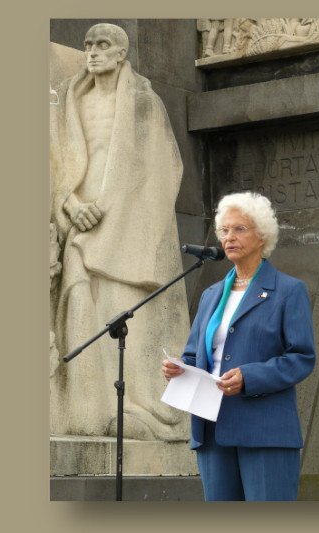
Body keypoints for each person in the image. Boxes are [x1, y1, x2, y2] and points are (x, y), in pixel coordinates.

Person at [49, 23, 190, 441]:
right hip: (78, 222)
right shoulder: (67, 102)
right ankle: (86, 407)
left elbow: (163, 170)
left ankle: (127, 404)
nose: (92, 53)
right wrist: (71, 205)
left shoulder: (145, 104)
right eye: (88, 45)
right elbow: (54, 162)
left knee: (124, 312)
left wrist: (112, 210)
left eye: (102, 46)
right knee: (80, 301)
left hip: (126, 226)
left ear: (121, 54)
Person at [162, 192, 316, 501]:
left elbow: (301, 358)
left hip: (264, 431)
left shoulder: (288, 291)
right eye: (225, 230)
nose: (229, 237)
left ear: (262, 236)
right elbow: (196, 353)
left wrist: (249, 377)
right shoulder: (211, 295)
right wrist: (180, 366)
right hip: (211, 428)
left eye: (239, 229)